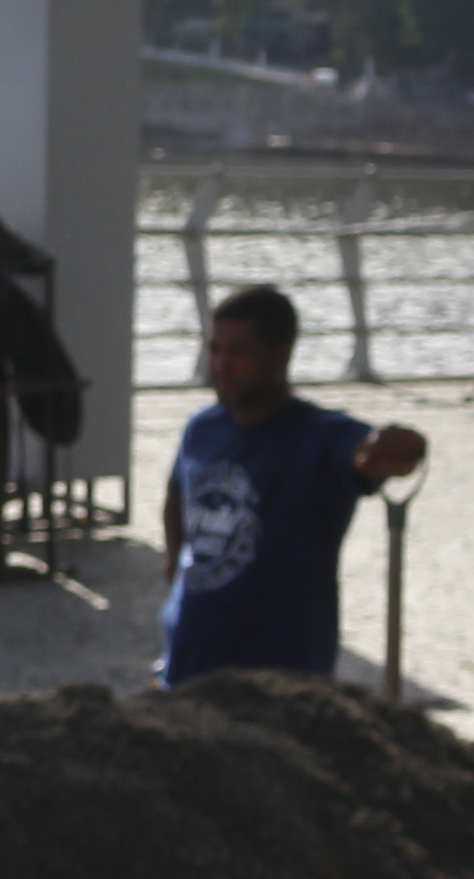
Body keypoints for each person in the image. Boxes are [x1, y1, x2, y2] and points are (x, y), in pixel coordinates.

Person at [158, 283, 429, 688]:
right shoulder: (202, 428)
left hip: (282, 672)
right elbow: (177, 496)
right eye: (215, 349)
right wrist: (175, 574)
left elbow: (399, 450)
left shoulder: (321, 438)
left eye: (238, 352)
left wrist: (388, 449)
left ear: (280, 353)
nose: (221, 364)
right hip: (189, 660)